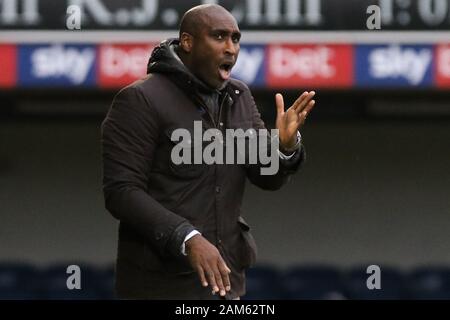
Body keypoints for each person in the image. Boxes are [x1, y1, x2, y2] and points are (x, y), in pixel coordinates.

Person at [101, 4, 316, 300]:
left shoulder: (239, 97)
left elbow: (266, 178)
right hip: (158, 288)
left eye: (236, 39)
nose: (231, 48)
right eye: (219, 37)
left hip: (225, 288)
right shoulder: (140, 99)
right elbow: (121, 192)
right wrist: (187, 238)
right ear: (188, 42)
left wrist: (284, 146)